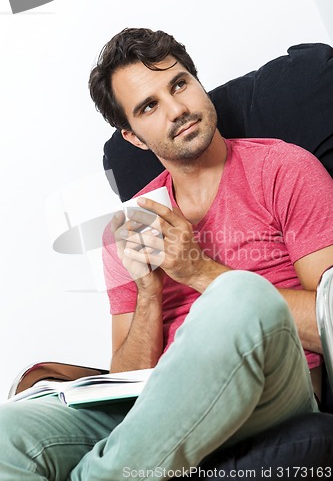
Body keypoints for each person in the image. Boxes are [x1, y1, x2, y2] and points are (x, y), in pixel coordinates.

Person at [1, 28, 333, 480]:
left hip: (274, 386)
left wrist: (198, 271)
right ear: (134, 137)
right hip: (159, 404)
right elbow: (126, 377)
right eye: (149, 106)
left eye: (178, 84)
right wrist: (148, 291)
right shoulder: (131, 226)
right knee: (9, 432)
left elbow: (327, 323)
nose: (177, 109)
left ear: (197, 83)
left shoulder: (284, 169)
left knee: (239, 299)